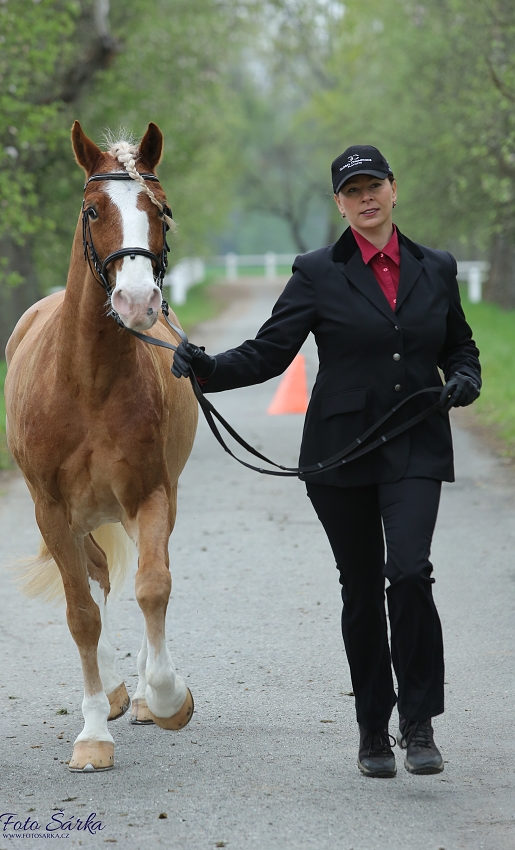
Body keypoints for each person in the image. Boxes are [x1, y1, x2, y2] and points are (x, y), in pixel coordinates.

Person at [171, 144, 481, 778]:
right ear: (340, 204)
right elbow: (270, 352)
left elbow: (461, 347)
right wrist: (207, 368)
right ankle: (373, 727)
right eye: (352, 191)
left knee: (411, 573)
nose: (366, 198)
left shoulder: (437, 267)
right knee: (362, 590)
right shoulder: (317, 271)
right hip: (341, 455)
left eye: (375, 186)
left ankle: (418, 723)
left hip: (417, 443)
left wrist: (465, 380)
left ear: (395, 189)